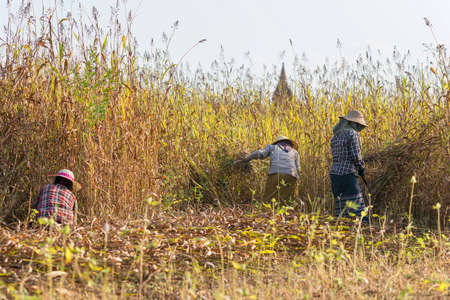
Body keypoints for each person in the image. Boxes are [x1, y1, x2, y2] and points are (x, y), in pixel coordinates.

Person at [234, 136, 300, 204]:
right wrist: (297, 181)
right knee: (285, 200)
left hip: (276, 174)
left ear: (277, 142)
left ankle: (267, 212)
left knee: (268, 198)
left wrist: (246, 159)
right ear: (289, 143)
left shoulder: (272, 147)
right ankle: (283, 213)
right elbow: (298, 168)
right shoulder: (295, 152)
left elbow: (260, 153)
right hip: (292, 176)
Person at [329, 110, 368, 220]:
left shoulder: (335, 136)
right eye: (358, 125)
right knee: (357, 204)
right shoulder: (353, 134)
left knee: (341, 205)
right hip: (348, 174)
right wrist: (361, 168)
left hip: (335, 175)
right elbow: (356, 156)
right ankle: (363, 225)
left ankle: (342, 226)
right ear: (353, 123)